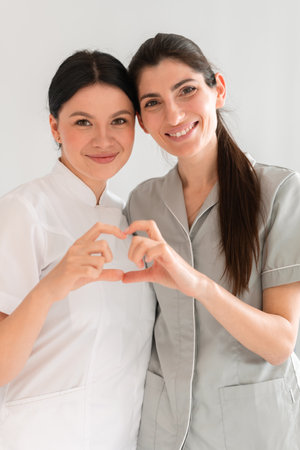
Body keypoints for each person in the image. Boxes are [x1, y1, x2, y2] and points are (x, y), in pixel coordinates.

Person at [123, 33, 300, 450]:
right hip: (164, 431)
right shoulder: (141, 201)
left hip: (255, 430)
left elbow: (280, 343)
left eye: (186, 90)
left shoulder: (279, 192)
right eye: (152, 103)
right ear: (143, 122)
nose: (173, 114)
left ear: (217, 89)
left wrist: (198, 285)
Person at [0, 50, 155, 450]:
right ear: (54, 126)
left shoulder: (133, 220)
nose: (103, 140)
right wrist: (52, 285)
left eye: (118, 121)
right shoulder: (23, 212)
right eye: (82, 122)